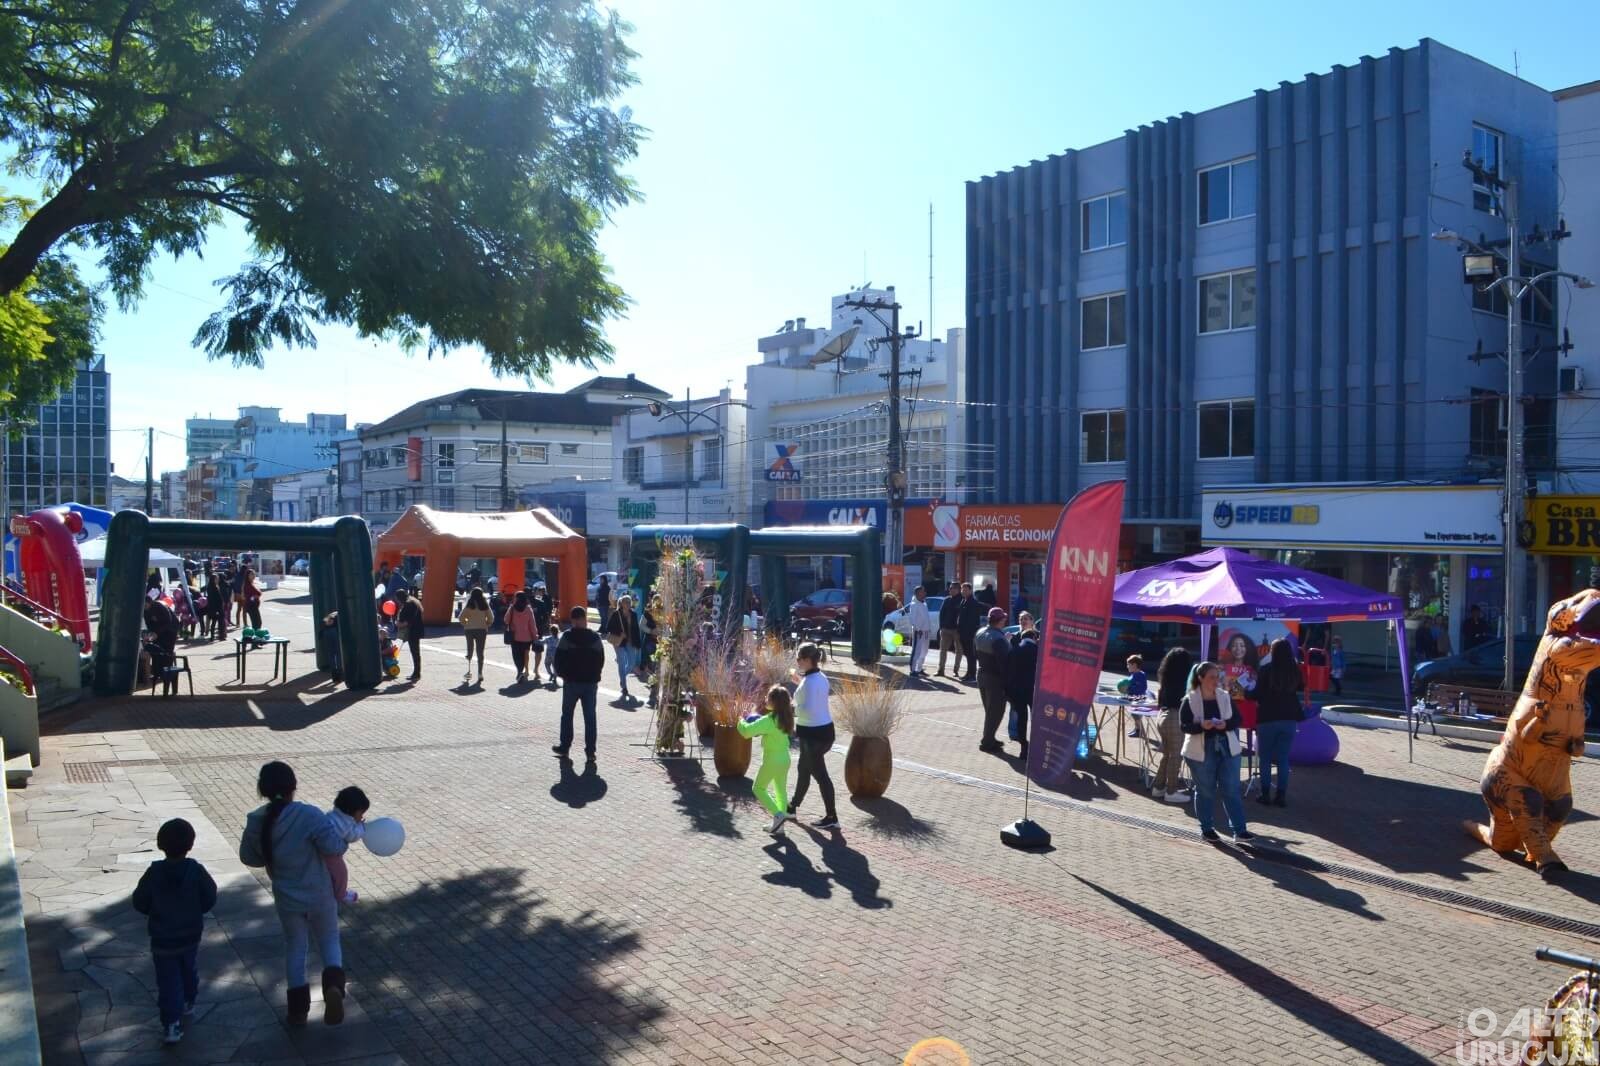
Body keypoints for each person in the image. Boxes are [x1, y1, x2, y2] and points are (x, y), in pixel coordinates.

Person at [238, 761, 349, 1026]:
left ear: (262, 789)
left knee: (296, 948)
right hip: (319, 893)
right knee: (329, 940)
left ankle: (298, 1010)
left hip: (287, 898)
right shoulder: (308, 814)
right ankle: (333, 988)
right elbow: (333, 847)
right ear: (293, 786)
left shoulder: (256, 820)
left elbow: (248, 857)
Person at [131, 818, 217, 1045]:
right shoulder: (195, 870)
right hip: (190, 934)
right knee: (189, 968)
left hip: (162, 937)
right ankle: (189, 999)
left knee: (168, 980)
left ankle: (171, 1023)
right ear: (190, 844)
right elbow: (210, 895)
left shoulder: (154, 872)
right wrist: (197, 910)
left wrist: (153, 911)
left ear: (161, 844)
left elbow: (139, 900)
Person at [1181, 661, 1253, 843]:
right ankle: (1207, 829)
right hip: (1201, 749)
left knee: (1231, 789)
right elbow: (1184, 726)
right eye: (1211, 677)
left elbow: (1237, 719)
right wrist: (1201, 726)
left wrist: (1225, 724)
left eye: (1217, 677)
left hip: (1227, 746)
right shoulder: (1189, 699)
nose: (1216, 681)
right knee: (1205, 790)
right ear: (1200, 678)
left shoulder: (1224, 696)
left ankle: (1240, 831)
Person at [787, 643, 839, 829]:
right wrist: (799, 683)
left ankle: (832, 817)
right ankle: (792, 806)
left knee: (819, 775)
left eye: (799, 658)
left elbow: (807, 709)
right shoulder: (820, 677)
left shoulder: (809, 682)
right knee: (804, 768)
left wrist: (790, 709)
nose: (797, 661)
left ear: (808, 660)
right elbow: (813, 695)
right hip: (824, 732)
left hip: (813, 736)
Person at [738, 685, 796, 836]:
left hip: (772, 760)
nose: (765, 699)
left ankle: (778, 815)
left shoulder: (769, 720)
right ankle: (779, 826)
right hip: (785, 759)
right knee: (780, 791)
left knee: (758, 788)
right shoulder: (786, 717)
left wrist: (740, 721)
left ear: (774, 702)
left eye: (768, 697)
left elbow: (747, 732)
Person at [1254, 638, 1303, 808]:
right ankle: (1281, 796)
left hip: (1267, 718)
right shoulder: (1294, 671)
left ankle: (1265, 794)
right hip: (1289, 718)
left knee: (1265, 758)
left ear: (1273, 652)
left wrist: (1244, 691)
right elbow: (1301, 687)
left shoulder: (1266, 670)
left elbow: (1256, 694)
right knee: (1283, 758)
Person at [553, 605, 605, 761]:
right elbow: (601, 660)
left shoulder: (567, 637)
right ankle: (590, 752)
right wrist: (595, 675)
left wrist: (563, 675)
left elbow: (558, 659)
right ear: (585, 619)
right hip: (590, 683)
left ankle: (565, 747)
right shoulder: (595, 638)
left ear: (572, 620)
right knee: (590, 718)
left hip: (571, 683)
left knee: (567, 715)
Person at [1152, 647, 1194, 804]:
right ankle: (1171, 791)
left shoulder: (1166, 677)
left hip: (1163, 715)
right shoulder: (1185, 681)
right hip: (1175, 717)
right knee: (1176, 756)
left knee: (1168, 754)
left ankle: (1159, 787)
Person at [974, 606, 1011, 753]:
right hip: (995, 680)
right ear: (1000, 621)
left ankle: (990, 738)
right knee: (995, 712)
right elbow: (1004, 663)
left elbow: (974, 654)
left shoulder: (980, 633)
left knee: (990, 711)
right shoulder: (999, 639)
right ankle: (987, 742)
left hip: (981, 675)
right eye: (1004, 619)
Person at [323, 786, 368, 904]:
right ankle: (341, 894)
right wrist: (361, 827)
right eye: (361, 813)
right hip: (331, 855)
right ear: (353, 812)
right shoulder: (346, 824)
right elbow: (353, 836)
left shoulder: (333, 814)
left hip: (321, 848)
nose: (361, 817)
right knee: (340, 874)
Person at [1007, 612, 1038, 760]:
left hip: (1018, 687)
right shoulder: (1036, 649)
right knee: (1034, 717)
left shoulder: (1016, 647)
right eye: (1021, 619)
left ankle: (1024, 747)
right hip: (1032, 688)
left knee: (1022, 718)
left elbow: (1009, 665)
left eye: (1026, 619)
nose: (1023, 621)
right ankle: (1034, 745)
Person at [606, 593, 642, 702]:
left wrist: (638, 644)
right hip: (620, 642)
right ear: (621, 604)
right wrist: (620, 634)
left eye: (629, 602)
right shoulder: (616, 614)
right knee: (621, 661)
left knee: (631, 663)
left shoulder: (633, 614)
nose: (628, 604)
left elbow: (636, 630)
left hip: (630, 642)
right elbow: (609, 628)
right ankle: (624, 686)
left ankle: (622, 677)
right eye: (626, 602)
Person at [143, 591, 182, 693]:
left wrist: (157, 633)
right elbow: (149, 624)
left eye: (145, 605)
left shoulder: (160, 606)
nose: (144, 607)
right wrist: (151, 634)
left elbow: (168, 622)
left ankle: (168, 673)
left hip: (171, 629)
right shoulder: (145, 611)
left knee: (167, 651)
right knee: (156, 650)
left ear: (150, 603)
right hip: (159, 631)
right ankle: (158, 672)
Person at [458, 587, 492, 684]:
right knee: (480, 651)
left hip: (469, 629)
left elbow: (461, 617)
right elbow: (491, 617)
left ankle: (468, 668)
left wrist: (466, 624)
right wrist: (486, 624)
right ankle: (480, 673)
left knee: (470, 648)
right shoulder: (484, 605)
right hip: (482, 629)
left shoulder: (469, 604)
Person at [506, 590, 538, 681]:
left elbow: (506, 620)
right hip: (527, 638)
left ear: (516, 598)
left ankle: (519, 671)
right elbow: (532, 624)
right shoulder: (528, 609)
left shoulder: (512, 608)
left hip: (514, 637)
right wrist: (535, 635)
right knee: (524, 655)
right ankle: (522, 670)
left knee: (516, 655)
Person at [393, 587, 424, 681]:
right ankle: (417, 672)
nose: (397, 601)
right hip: (416, 630)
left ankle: (416, 673)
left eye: (397, 599)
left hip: (412, 631)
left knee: (415, 652)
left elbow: (407, 620)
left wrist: (398, 624)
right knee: (416, 652)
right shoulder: (414, 601)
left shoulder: (408, 604)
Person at [956, 582, 984, 682]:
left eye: (965, 590)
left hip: (969, 634)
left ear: (970, 591)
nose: (963, 591)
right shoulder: (964, 601)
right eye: (962, 590)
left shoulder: (973, 602)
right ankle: (968, 673)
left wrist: (968, 633)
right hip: (963, 633)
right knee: (967, 654)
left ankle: (972, 675)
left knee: (971, 655)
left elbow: (972, 620)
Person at [905, 586, 934, 678]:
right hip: (919, 632)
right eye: (922, 591)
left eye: (924, 591)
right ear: (917, 593)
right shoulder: (914, 605)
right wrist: (918, 629)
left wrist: (928, 629)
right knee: (917, 651)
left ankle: (919, 669)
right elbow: (912, 619)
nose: (925, 593)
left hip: (926, 631)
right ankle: (913, 670)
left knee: (924, 651)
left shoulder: (924, 604)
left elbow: (926, 618)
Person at [936, 581, 964, 677]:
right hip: (945, 629)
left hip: (957, 630)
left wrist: (961, 628)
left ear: (958, 589)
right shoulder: (947, 600)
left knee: (959, 651)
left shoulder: (962, 600)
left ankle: (956, 670)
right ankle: (941, 670)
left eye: (953, 588)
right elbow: (941, 614)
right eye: (950, 588)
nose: (950, 590)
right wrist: (941, 627)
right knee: (943, 650)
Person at [530, 584, 553, 678]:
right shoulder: (538, 603)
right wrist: (542, 624)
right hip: (536, 629)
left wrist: (542, 625)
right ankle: (534, 669)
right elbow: (546, 617)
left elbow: (546, 616)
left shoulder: (539, 603)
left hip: (533, 630)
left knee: (533, 650)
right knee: (537, 650)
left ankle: (533, 669)